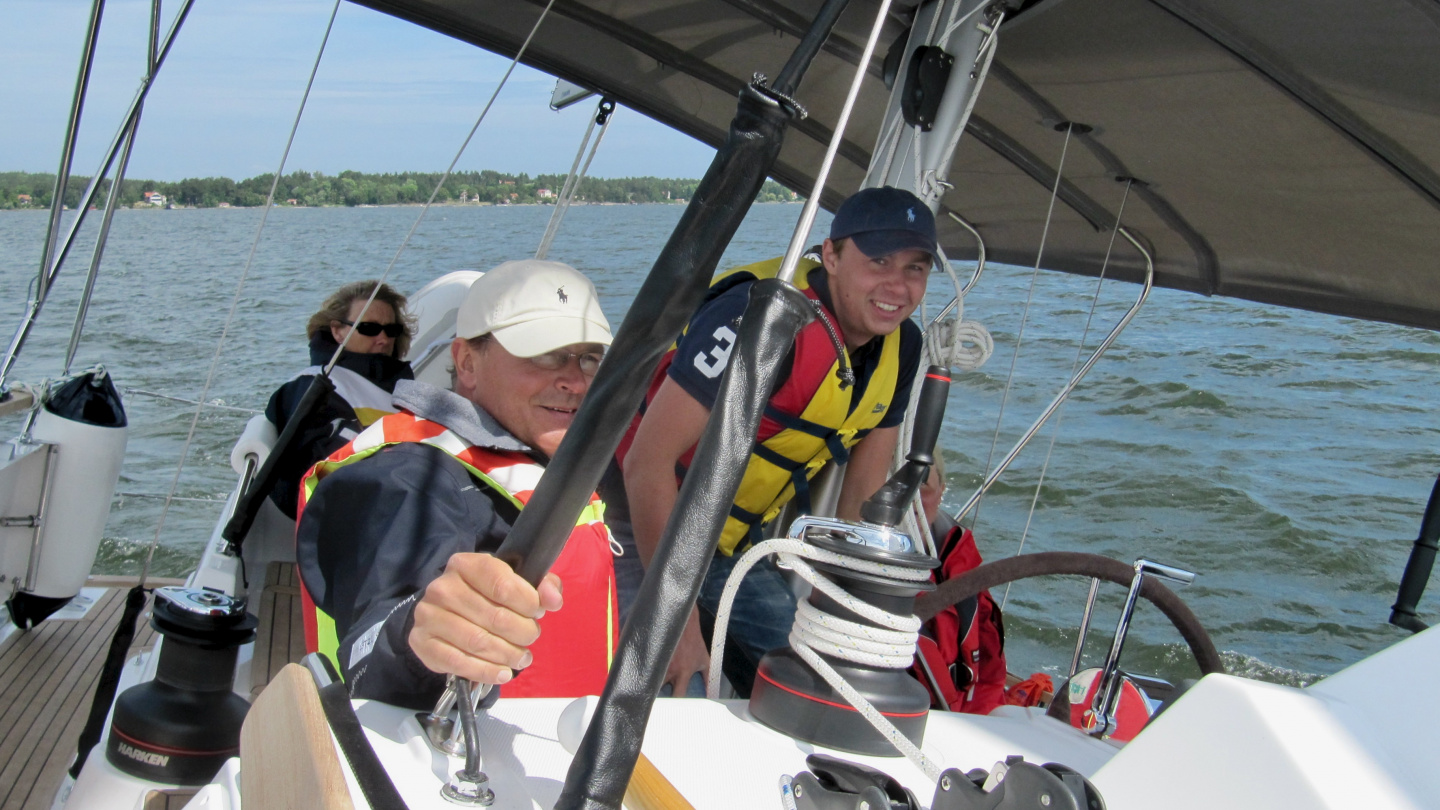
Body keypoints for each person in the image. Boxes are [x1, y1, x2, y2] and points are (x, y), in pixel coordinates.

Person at [609, 186, 935, 696]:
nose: (898, 285)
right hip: (636, 525)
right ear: (831, 255)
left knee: (816, 682)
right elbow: (646, 463)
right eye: (879, 261)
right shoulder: (762, 318)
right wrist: (674, 623)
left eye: (915, 268)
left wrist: (855, 620)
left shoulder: (903, 346)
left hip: (730, 544)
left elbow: (862, 501)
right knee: (678, 693)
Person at [295, 260, 618, 708]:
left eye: (590, 357)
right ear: (466, 362)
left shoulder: (542, 453)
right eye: (545, 355)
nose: (576, 380)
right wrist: (417, 637)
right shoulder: (404, 481)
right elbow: (373, 641)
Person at [264, 280, 416, 518]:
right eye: (369, 328)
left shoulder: (401, 388)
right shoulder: (313, 387)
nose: (383, 339)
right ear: (337, 330)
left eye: (391, 330)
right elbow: (316, 468)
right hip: (360, 516)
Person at [913, 461, 1008, 714]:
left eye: (923, 483)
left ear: (941, 490)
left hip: (956, 718)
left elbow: (990, 673)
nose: (911, 499)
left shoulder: (958, 557)